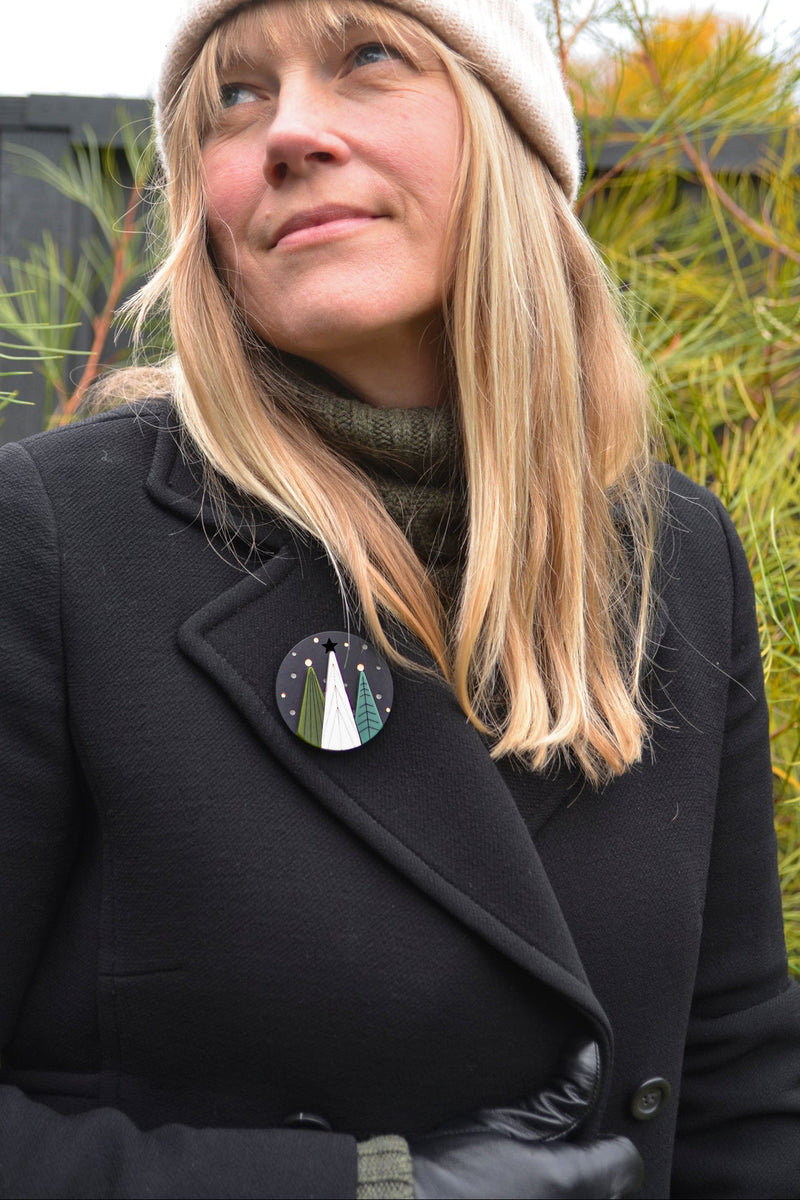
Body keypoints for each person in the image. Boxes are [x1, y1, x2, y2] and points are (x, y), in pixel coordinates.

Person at [1, 0, 798, 1196]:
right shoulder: (57, 537)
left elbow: (734, 1070)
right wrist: (367, 1191)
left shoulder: (675, 550)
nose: (287, 132)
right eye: (234, 96)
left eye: (367, 58)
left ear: (511, 136)